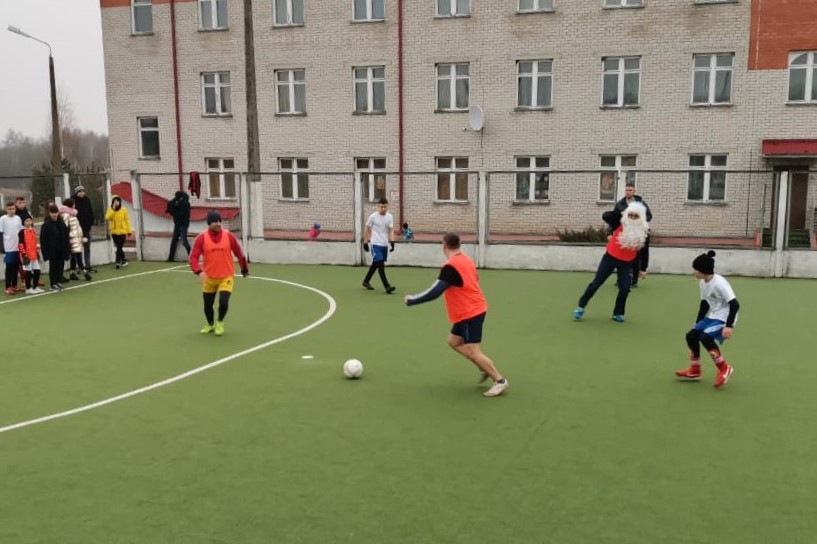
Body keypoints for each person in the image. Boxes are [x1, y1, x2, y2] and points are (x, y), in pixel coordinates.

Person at [405, 232, 509, 397]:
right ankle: (483, 367)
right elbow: (474, 279)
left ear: (444, 246)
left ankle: (499, 380)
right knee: (453, 341)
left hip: (470, 312)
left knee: (473, 351)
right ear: (459, 244)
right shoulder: (466, 260)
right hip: (470, 310)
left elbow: (435, 292)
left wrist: (412, 300)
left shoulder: (450, 267)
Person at [573, 202, 650, 322]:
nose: (632, 218)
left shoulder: (644, 232)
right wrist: (620, 213)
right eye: (630, 215)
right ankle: (581, 306)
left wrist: (643, 268)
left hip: (627, 263)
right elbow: (606, 216)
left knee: (625, 288)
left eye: (636, 216)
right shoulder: (619, 222)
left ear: (641, 218)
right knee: (597, 283)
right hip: (610, 258)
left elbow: (644, 251)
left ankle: (618, 313)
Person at [675, 251, 739, 389]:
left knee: (705, 337)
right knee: (691, 335)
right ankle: (695, 370)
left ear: (703, 270)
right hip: (714, 315)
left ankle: (724, 368)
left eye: (696, 270)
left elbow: (735, 304)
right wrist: (698, 322)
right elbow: (704, 304)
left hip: (725, 318)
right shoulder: (703, 283)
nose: (693, 273)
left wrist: (729, 326)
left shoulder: (719, 283)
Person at [189, 210, 249, 336]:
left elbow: (239, 253)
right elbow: (193, 257)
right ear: (209, 223)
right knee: (207, 306)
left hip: (226, 276)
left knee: (223, 302)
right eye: (215, 221)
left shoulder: (229, 236)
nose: (218, 224)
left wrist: (244, 269)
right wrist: (198, 272)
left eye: (219, 221)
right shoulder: (201, 238)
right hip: (209, 278)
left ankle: (220, 322)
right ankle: (210, 324)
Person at [612, 182, 653, 288]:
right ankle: (620, 279)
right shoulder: (619, 204)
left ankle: (634, 280)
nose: (628, 192)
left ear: (634, 191)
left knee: (636, 257)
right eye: (626, 190)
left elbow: (649, 216)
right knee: (621, 257)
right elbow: (614, 219)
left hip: (638, 233)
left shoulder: (641, 203)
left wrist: (639, 220)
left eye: (630, 190)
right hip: (625, 234)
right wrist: (609, 232)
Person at [362, 197, 396, 293]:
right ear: (378, 206)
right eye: (381, 207)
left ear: (387, 207)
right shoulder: (373, 217)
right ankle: (387, 286)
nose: (383, 209)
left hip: (384, 244)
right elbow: (367, 229)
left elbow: (391, 230)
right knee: (381, 265)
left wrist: (392, 242)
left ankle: (366, 281)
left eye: (385, 207)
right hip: (375, 244)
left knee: (375, 264)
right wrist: (365, 242)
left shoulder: (390, 217)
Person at [39, 204, 71, 291]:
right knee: (53, 267)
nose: (54, 214)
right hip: (52, 250)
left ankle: (58, 281)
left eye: (56, 212)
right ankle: (53, 283)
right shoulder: (46, 225)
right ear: (49, 213)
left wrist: (67, 250)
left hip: (61, 249)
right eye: (52, 213)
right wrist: (45, 253)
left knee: (60, 266)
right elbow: (43, 240)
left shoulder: (61, 224)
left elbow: (66, 238)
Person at [60, 198, 92, 282]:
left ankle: (72, 273)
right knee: (78, 256)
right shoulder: (66, 215)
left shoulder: (72, 214)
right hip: (72, 238)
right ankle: (85, 273)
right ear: (70, 205)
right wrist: (68, 238)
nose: (75, 205)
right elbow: (65, 228)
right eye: (73, 204)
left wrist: (80, 236)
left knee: (74, 256)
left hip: (76, 238)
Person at [0, 201, 23, 295]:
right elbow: (0, 234)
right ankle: (8, 287)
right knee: (9, 268)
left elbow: (20, 232)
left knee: (16, 267)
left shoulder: (18, 218)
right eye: (9, 209)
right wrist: (1, 248)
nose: (12, 211)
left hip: (17, 247)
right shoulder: (2, 219)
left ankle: (14, 285)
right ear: (6, 209)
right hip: (8, 248)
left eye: (13, 209)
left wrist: (22, 245)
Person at [73, 185, 97, 273]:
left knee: (87, 248)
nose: (82, 193)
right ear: (76, 193)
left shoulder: (87, 200)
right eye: (80, 191)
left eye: (83, 191)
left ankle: (88, 266)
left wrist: (91, 222)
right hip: (77, 229)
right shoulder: (73, 201)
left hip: (87, 229)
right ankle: (79, 267)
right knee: (77, 249)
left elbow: (90, 212)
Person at [105, 195, 133, 269]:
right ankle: (123, 260)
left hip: (122, 231)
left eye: (117, 201)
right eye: (114, 201)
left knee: (119, 246)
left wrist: (129, 230)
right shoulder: (110, 209)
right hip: (114, 231)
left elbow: (127, 220)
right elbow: (108, 218)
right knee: (118, 247)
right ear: (112, 202)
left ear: (120, 202)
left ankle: (117, 262)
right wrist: (113, 210)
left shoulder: (124, 210)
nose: (116, 202)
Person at [17, 216, 44, 294]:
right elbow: (21, 244)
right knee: (28, 272)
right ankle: (28, 288)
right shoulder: (22, 232)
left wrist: (37, 250)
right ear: (23, 222)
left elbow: (34, 243)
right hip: (27, 256)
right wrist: (24, 254)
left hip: (34, 255)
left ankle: (35, 286)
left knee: (37, 270)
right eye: (26, 220)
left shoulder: (32, 231)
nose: (28, 222)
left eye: (30, 220)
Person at [166, 190, 192, 261]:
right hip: (177, 224)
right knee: (174, 241)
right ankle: (171, 258)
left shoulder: (186, 204)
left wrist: (174, 211)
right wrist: (172, 208)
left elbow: (182, 214)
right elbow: (170, 203)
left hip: (183, 224)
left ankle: (192, 256)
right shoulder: (177, 201)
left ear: (181, 197)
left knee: (184, 241)